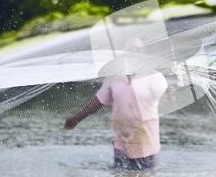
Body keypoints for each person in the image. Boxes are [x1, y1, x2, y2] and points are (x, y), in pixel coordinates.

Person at [64, 38, 168, 170]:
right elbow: (99, 100)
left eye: (137, 49)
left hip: (146, 143)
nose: (133, 53)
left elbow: (168, 99)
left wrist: (171, 94)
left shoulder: (154, 76)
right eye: (129, 50)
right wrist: (76, 118)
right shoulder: (114, 76)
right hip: (121, 144)